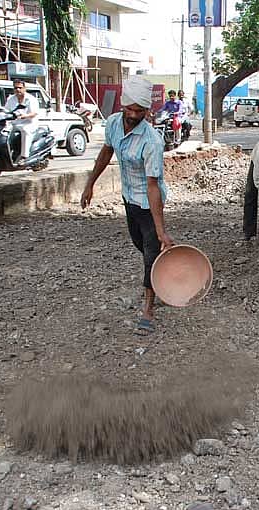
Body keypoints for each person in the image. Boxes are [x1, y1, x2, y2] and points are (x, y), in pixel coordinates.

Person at [80, 76, 174, 334]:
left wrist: (160, 228)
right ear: (122, 105)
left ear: (147, 110)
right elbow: (106, 153)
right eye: (129, 109)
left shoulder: (152, 140)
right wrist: (90, 184)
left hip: (148, 202)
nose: (133, 115)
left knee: (150, 251)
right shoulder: (112, 124)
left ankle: (149, 307)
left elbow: (153, 187)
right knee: (140, 245)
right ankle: (161, 275)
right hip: (129, 198)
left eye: (139, 111)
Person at [3, 79, 39, 164]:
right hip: (15, 123)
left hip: (29, 123)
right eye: (16, 88)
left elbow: (34, 113)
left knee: (25, 131)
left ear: (24, 88)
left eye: (20, 88)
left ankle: (24, 156)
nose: (18, 90)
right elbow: (6, 110)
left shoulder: (30, 99)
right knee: (3, 132)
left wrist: (24, 116)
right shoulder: (11, 99)